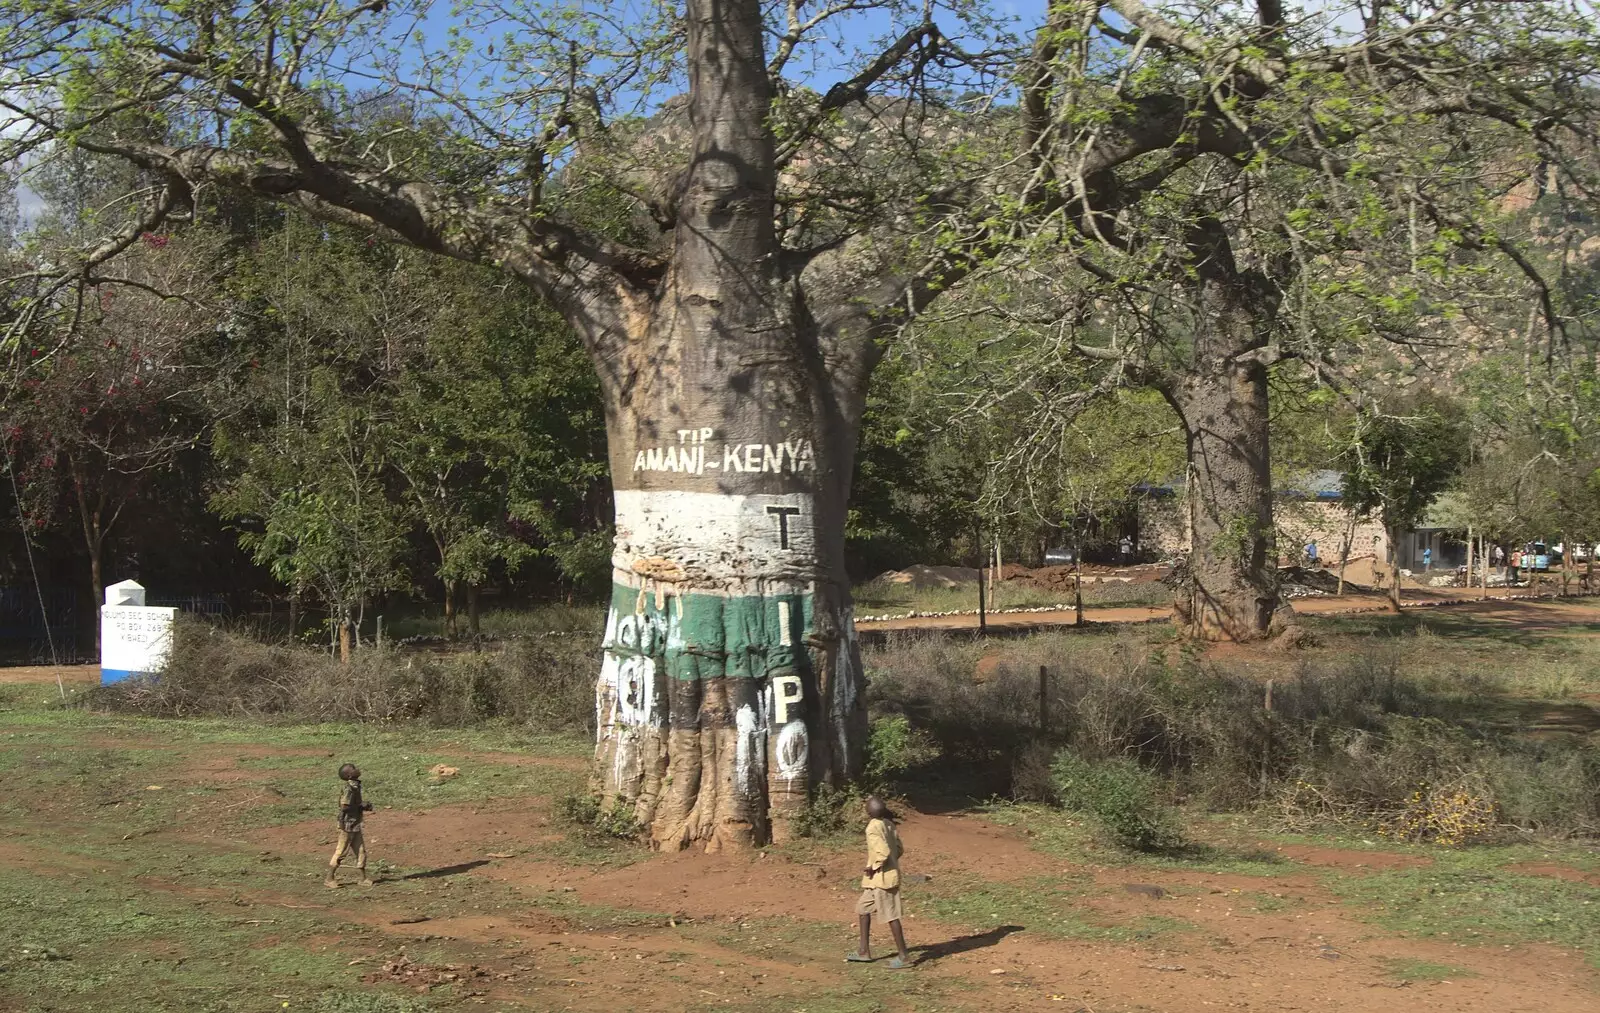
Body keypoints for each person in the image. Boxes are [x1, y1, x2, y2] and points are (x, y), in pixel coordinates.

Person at [845, 796, 910, 969]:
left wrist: (874, 867)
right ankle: (863, 951)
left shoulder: (873, 827)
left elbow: (883, 852)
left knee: (891, 916)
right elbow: (898, 849)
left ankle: (904, 957)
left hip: (883, 880)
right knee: (862, 908)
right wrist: (891, 863)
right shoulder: (888, 824)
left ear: (868, 812)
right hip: (877, 880)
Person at [325, 762, 375, 888]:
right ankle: (329, 878)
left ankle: (363, 878)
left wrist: (362, 806)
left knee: (361, 851)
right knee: (341, 852)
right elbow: (344, 806)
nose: (356, 769)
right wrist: (360, 806)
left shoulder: (355, 786)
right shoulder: (349, 788)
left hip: (355, 823)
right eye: (353, 769)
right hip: (347, 825)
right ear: (348, 776)